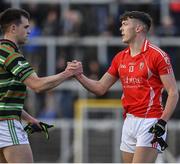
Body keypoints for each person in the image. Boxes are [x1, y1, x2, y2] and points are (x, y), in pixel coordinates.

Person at [69, 11, 179, 163]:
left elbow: (173, 92)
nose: (121, 28)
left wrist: (162, 122)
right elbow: (100, 87)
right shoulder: (120, 58)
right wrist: (79, 76)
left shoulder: (157, 56)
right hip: (129, 120)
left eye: (125, 24)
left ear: (139, 28)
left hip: (150, 121)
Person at [0, 8, 81, 163]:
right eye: (25, 27)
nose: (29, 31)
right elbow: (37, 85)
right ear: (13, 28)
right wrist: (67, 73)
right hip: (7, 125)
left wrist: (29, 118)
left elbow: (4, 100)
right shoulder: (11, 55)